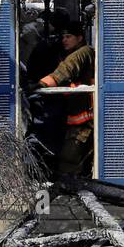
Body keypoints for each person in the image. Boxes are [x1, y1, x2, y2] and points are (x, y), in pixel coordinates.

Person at [38, 16, 95, 177]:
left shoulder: (83, 52)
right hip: (78, 120)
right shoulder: (71, 54)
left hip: (85, 122)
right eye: (63, 36)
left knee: (68, 161)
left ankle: (68, 194)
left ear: (80, 38)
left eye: (68, 36)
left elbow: (66, 70)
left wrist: (43, 84)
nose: (64, 40)